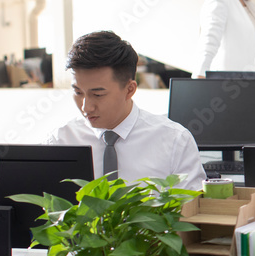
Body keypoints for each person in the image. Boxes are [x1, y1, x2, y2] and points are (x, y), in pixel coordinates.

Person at [47, 30, 207, 191]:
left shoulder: (175, 141)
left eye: (98, 95)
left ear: (130, 90)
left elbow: (192, 205)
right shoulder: (61, 141)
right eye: (78, 92)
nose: (86, 107)